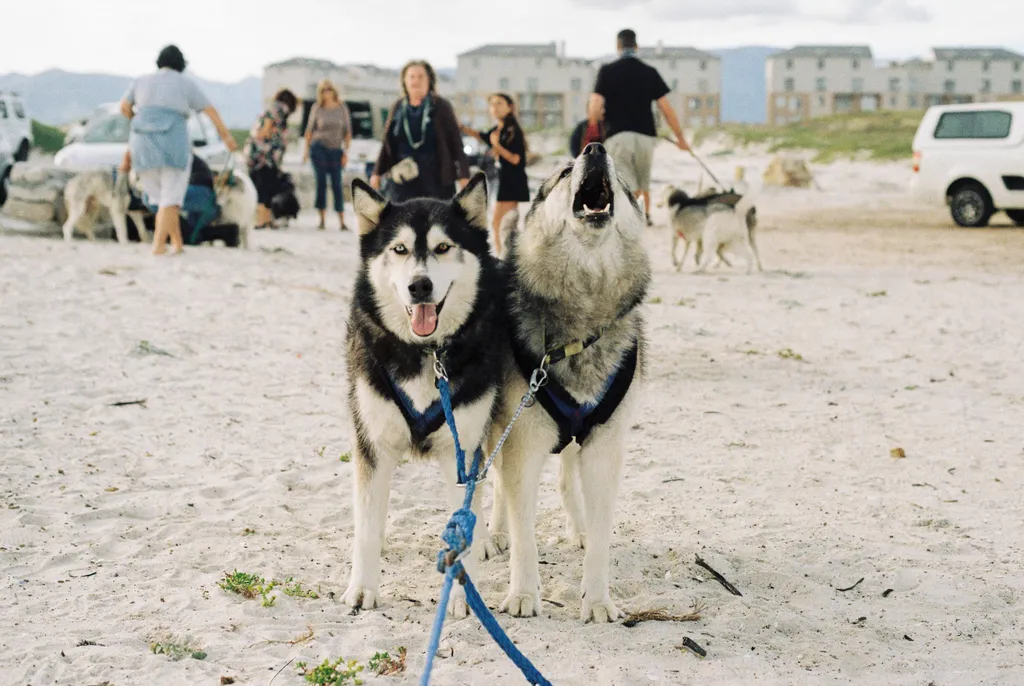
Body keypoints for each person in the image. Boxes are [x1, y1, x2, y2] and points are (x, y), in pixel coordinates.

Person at [119, 45, 237, 255]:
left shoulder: (140, 81)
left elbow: (124, 108)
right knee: (171, 198)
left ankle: (177, 243)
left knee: (159, 199)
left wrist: (140, 119)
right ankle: (158, 246)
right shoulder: (185, 83)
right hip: (172, 144)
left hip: (142, 144)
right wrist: (226, 136)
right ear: (181, 64)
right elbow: (210, 110)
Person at [589, 29, 690, 226]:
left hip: (618, 134)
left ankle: (633, 216)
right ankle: (646, 214)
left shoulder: (607, 71)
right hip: (646, 135)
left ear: (618, 47)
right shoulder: (649, 72)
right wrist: (680, 138)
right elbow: (666, 108)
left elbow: (594, 105)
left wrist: (594, 126)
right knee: (644, 178)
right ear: (636, 46)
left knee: (626, 179)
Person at [370, 60, 469, 201]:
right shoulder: (398, 106)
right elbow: (387, 143)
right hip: (404, 176)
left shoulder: (441, 105)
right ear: (404, 81)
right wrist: (377, 172)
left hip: (435, 177)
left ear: (429, 80)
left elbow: (456, 142)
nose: (416, 80)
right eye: (411, 77)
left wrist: (463, 174)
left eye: (421, 76)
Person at [461, 93, 528, 254]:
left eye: (499, 103)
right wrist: (462, 128)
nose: (495, 107)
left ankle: (502, 258)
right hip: (505, 180)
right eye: (492, 104)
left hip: (513, 181)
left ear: (510, 107)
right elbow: (482, 136)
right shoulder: (499, 128)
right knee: (506, 222)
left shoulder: (512, 130)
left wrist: (497, 146)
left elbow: (516, 159)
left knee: (499, 221)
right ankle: (508, 256)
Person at [303, 79, 352, 231]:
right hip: (319, 149)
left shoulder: (342, 107)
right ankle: (322, 221)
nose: (327, 92)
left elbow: (348, 132)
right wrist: (306, 151)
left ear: (334, 90)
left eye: (329, 89)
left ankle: (342, 221)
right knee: (321, 183)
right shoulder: (317, 108)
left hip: (336, 151)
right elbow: (309, 131)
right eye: (323, 90)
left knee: (337, 184)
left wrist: (346, 153)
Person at [246, 88, 298, 229]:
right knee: (264, 187)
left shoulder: (274, 107)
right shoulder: (278, 109)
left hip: (264, 156)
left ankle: (266, 220)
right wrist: (269, 133)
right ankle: (263, 220)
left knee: (266, 187)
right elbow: (265, 129)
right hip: (264, 157)